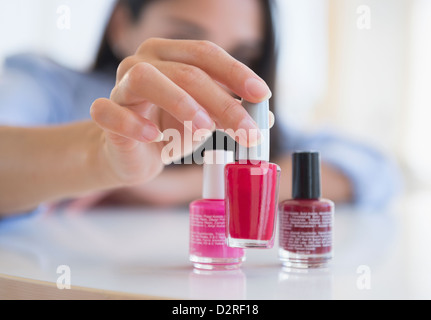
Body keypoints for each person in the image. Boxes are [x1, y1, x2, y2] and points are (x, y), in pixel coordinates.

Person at [0, 0, 399, 217]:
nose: (213, 75)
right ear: (121, 25)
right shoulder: (40, 81)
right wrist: (100, 158)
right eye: (184, 41)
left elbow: (373, 168)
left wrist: (177, 187)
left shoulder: (252, 121)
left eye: (243, 54)